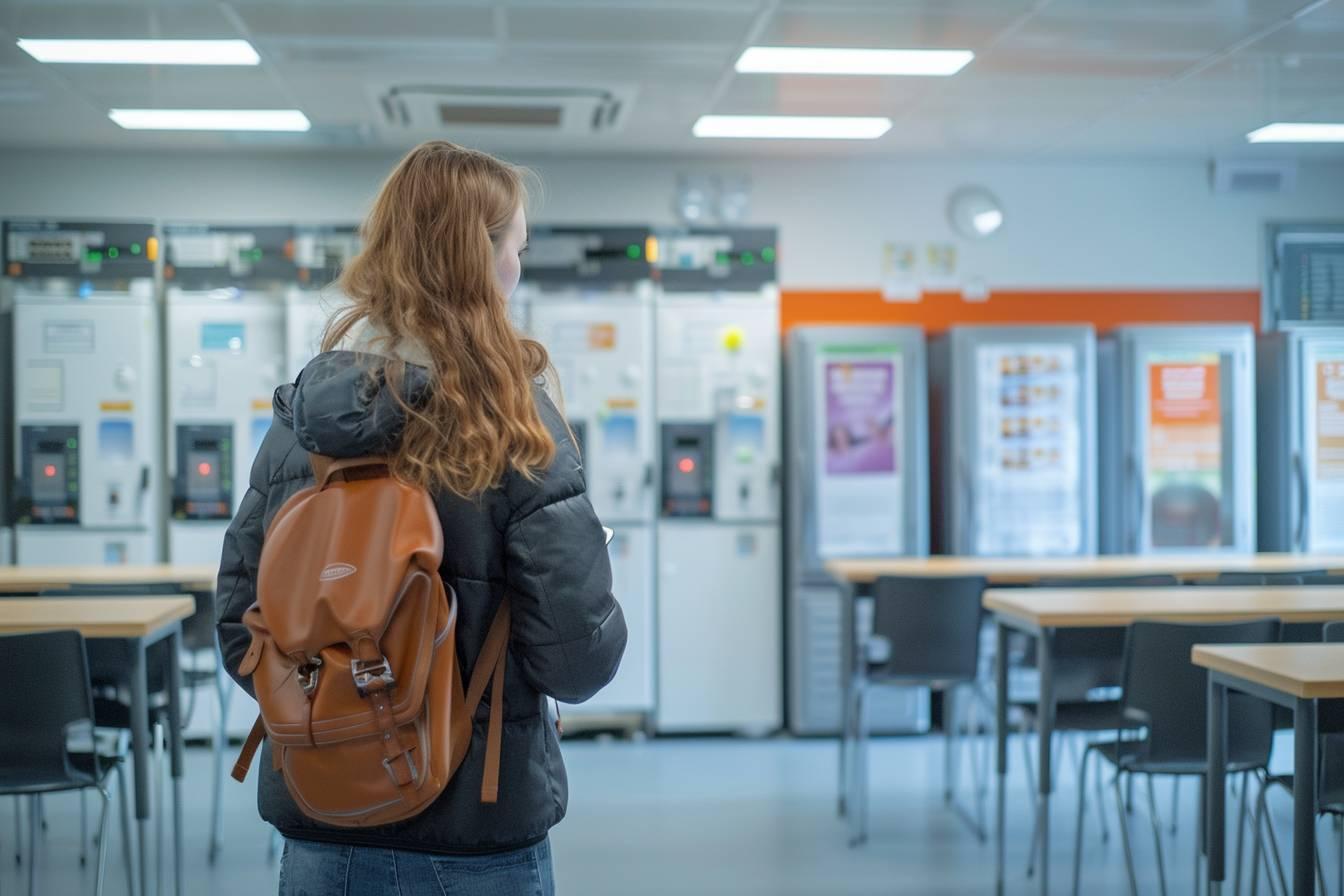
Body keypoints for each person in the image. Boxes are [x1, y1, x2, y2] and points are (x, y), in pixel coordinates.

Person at [216, 140, 627, 895]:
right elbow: (578, 659)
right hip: (477, 833)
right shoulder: (514, 423)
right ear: (482, 260)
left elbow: (242, 625)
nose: (518, 268)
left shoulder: (300, 423)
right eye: (516, 249)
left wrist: (344, 717)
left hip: (320, 825)